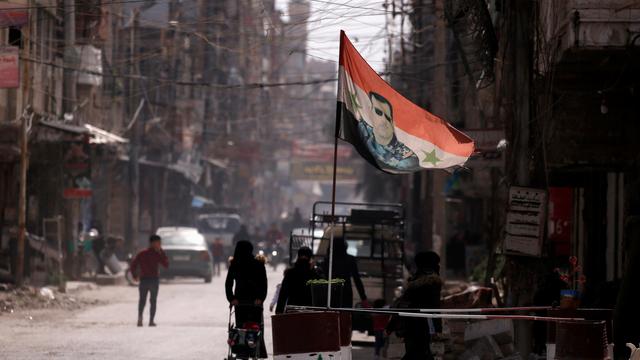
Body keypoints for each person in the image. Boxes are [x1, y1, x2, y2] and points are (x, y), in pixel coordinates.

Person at [391, 251, 442, 360]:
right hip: (424, 326)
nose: (439, 266)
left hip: (410, 325)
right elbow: (435, 306)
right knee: (419, 353)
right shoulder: (434, 281)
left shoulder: (415, 280)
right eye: (437, 263)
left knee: (416, 353)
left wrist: (391, 325)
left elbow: (403, 303)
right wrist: (436, 328)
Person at [355, 91, 420, 171]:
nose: (383, 120)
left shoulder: (406, 155)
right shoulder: (364, 132)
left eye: (388, 118)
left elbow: (410, 164)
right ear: (370, 115)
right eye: (378, 112)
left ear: (393, 123)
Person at [225, 241, 268, 358]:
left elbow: (228, 284)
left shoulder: (255, 264)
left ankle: (248, 351)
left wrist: (232, 298)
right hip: (246, 302)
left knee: (246, 328)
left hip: (245, 302)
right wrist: (232, 299)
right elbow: (229, 283)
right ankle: (244, 351)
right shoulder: (237, 265)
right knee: (248, 328)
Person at [130, 234, 169, 327]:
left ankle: (143, 319)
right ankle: (148, 320)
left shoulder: (142, 253)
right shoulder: (157, 254)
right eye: (158, 243)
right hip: (151, 280)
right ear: (153, 243)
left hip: (146, 280)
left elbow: (133, 265)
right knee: (152, 301)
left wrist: (134, 275)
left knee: (143, 300)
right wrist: (161, 253)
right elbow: (166, 265)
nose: (160, 245)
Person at [322, 239, 368, 308]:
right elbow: (357, 279)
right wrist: (363, 298)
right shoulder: (350, 259)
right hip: (346, 292)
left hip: (331, 292)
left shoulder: (328, 260)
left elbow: (324, 278)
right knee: (345, 315)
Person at [275, 246, 320, 314]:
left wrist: (279, 311)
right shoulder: (314, 273)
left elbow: (283, 294)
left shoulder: (290, 273)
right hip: (310, 311)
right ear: (310, 258)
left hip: (292, 310)